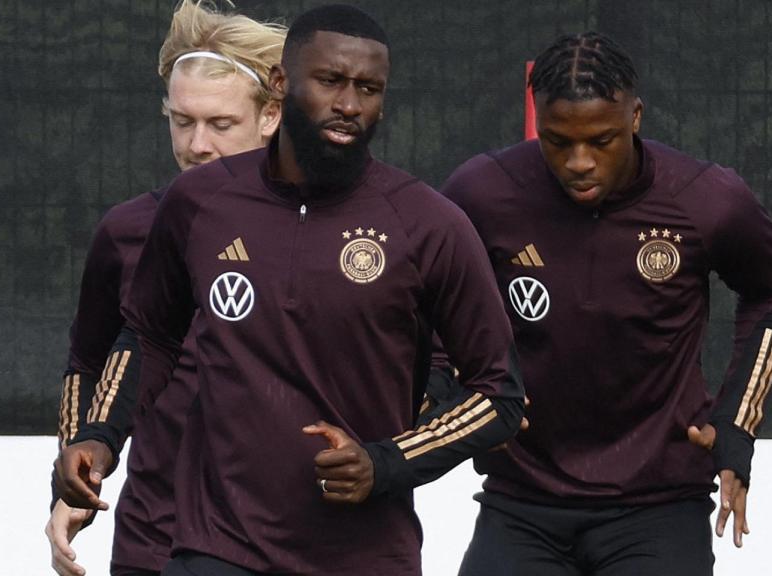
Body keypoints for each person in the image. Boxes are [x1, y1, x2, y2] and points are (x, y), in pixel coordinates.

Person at [53, 5, 526, 576]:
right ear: (283, 85)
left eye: (368, 89)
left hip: (362, 555)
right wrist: (97, 441)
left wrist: (386, 461)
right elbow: (143, 336)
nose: (349, 104)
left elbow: (495, 391)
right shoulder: (196, 207)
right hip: (208, 543)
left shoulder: (427, 223)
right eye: (330, 82)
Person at [442, 31, 772, 576]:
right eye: (559, 141)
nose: (579, 161)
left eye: (602, 140)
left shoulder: (706, 199)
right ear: (538, 118)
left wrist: (736, 423)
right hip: (522, 500)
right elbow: (434, 297)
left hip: (659, 504)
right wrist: (445, 385)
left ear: (636, 117)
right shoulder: (483, 192)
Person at [46, 2, 284, 575]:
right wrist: (73, 481)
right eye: (182, 121)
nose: (197, 144)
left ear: (271, 116)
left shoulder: (324, 228)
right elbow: (88, 361)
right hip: (157, 540)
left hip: (293, 546)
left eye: (220, 124)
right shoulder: (128, 230)